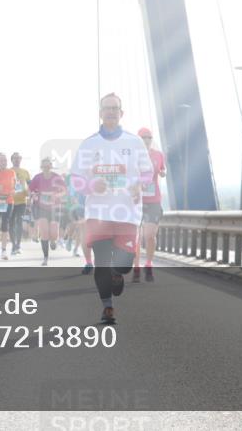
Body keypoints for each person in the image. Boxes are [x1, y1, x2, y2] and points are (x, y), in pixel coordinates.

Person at [71, 93, 153, 324]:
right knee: (102, 262)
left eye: (114, 108)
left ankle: (119, 274)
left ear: (121, 113)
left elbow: (147, 173)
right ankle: (107, 307)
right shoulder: (89, 144)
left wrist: (140, 185)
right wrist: (91, 185)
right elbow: (76, 178)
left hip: (127, 214)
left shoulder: (134, 142)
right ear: (100, 112)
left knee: (125, 265)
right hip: (98, 214)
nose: (110, 112)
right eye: (106, 108)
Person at [132, 127, 166, 282]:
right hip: (135, 201)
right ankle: (136, 267)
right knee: (136, 237)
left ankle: (149, 264)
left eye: (149, 137)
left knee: (150, 235)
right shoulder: (131, 156)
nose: (146, 140)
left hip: (153, 201)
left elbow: (162, 169)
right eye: (143, 137)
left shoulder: (158, 155)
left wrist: (162, 172)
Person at [29, 157, 66, 265]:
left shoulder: (57, 177)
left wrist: (56, 195)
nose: (46, 168)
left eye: (48, 166)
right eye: (44, 166)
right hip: (41, 208)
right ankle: (45, 258)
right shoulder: (37, 178)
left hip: (55, 208)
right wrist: (33, 195)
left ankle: (53, 240)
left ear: (51, 166)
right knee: (44, 232)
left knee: (54, 233)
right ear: (41, 167)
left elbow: (64, 191)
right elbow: (30, 190)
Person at [9, 152, 32, 255]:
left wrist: (30, 198)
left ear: (21, 159)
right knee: (11, 223)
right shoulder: (8, 171)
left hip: (22, 201)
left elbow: (30, 187)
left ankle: (18, 245)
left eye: (18, 158)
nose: (17, 160)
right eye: (15, 158)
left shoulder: (25, 172)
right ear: (12, 160)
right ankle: (13, 245)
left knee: (19, 223)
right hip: (10, 201)